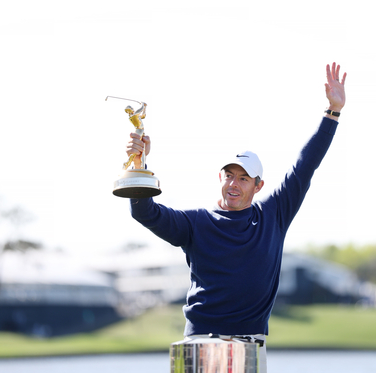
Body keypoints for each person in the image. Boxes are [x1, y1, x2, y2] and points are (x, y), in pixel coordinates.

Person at [125, 62, 346, 372]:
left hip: (249, 344)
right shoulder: (196, 223)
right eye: (229, 175)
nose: (233, 184)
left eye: (243, 179)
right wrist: (138, 165)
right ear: (220, 177)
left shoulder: (274, 215)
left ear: (258, 186)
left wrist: (332, 112)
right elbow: (144, 212)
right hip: (199, 342)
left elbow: (305, 165)